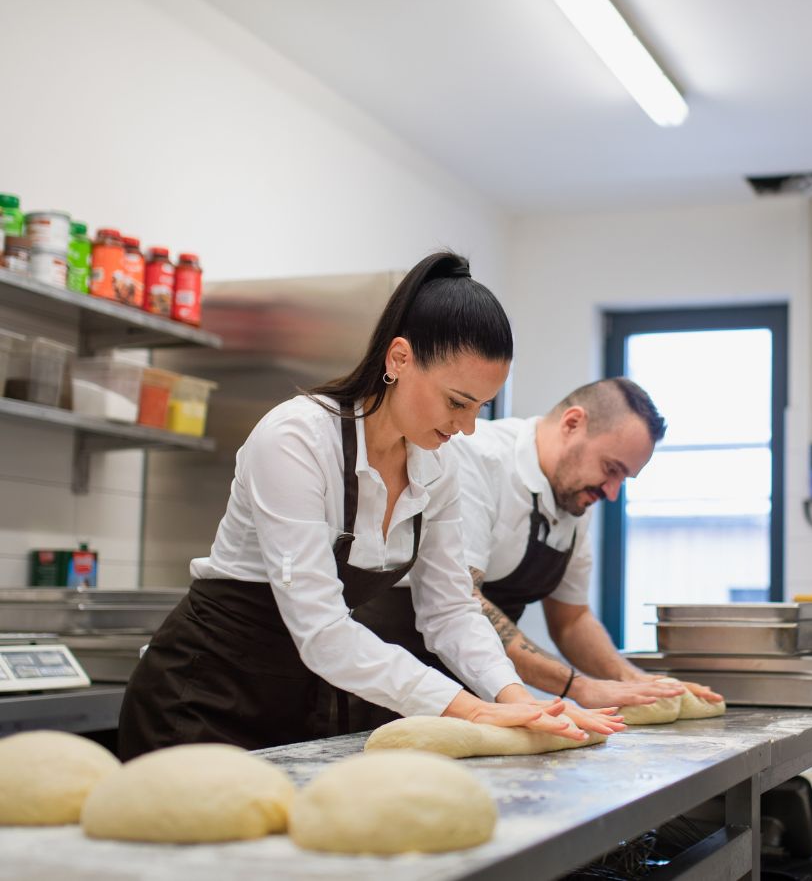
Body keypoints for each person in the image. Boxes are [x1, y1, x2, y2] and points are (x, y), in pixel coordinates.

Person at [118, 251, 623, 760]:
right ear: (399, 359)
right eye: (456, 402)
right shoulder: (296, 439)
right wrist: (470, 709)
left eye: (481, 408)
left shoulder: (437, 465)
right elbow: (321, 630)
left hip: (294, 706)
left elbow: (450, 610)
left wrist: (522, 704)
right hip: (199, 699)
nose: (467, 427)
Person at [353, 378, 723, 710]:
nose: (612, 493)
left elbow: (571, 619)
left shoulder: (577, 496)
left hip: (480, 687)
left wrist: (633, 680)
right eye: (611, 469)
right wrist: (577, 688)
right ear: (572, 424)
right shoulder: (477, 458)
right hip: (390, 678)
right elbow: (462, 600)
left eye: (624, 479)